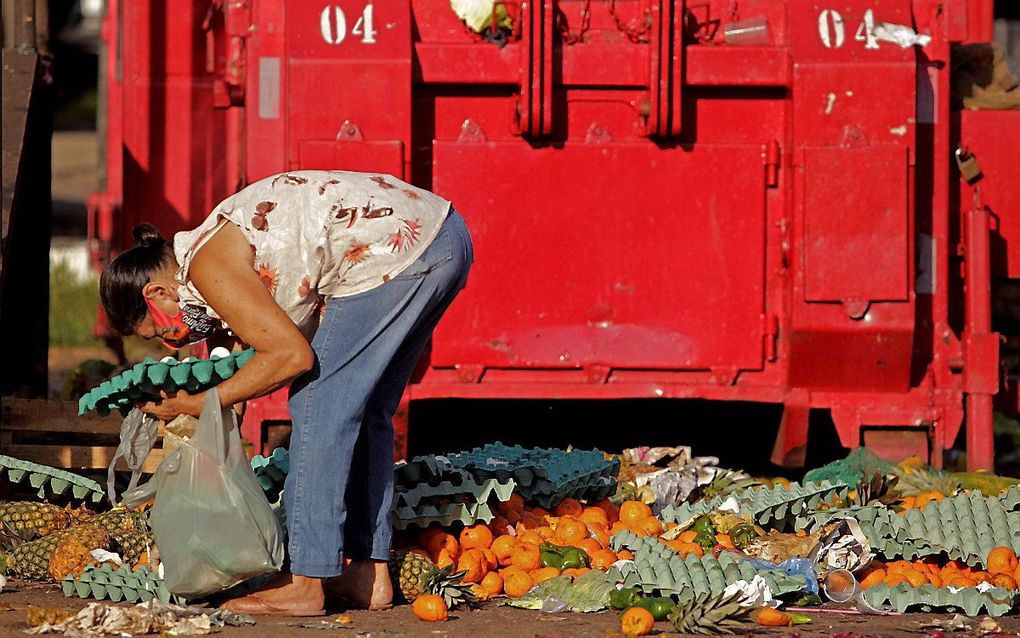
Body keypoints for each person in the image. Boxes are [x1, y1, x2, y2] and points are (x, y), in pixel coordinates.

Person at [99, 170, 473, 616]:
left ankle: (305, 579)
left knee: (317, 401)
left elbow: (292, 357)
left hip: (394, 252)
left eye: (157, 330)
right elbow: (251, 358)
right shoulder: (212, 253)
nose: (170, 342)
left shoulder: (206, 265)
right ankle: (367, 576)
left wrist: (201, 403)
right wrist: (216, 410)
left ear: (158, 292)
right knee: (366, 408)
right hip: (442, 236)